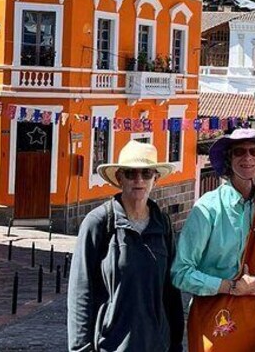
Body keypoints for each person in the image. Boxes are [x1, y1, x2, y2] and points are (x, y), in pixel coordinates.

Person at [171, 128, 255, 352]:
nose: (247, 157)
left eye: (254, 152)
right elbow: (180, 273)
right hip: (215, 320)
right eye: (239, 151)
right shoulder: (208, 208)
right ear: (229, 160)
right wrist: (232, 287)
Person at [67, 140, 183, 352]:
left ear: (155, 179)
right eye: (131, 173)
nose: (138, 180)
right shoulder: (99, 223)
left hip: (156, 345)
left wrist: (175, 343)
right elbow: (80, 291)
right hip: (111, 345)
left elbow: (170, 290)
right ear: (119, 178)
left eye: (146, 173)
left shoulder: (162, 224)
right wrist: (80, 348)